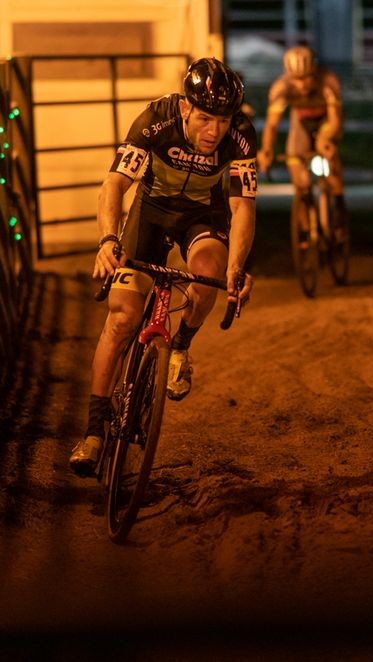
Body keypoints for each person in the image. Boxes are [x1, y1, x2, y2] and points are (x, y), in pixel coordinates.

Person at [69, 57, 257, 476]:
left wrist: (237, 268)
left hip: (203, 218)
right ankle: (94, 432)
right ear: (186, 108)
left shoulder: (241, 136)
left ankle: (181, 348)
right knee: (122, 317)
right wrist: (107, 240)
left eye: (223, 121)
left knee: (208, 278)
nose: (214, 132)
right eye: (206, 118)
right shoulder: (156, 119)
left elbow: (243, 206)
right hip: (151, 211)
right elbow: (115, 184)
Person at [255, 45, 346, 243]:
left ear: (315, 72)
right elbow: (271, 125)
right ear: (288, 76)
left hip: (326, 122)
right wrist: (267, 150)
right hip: (301, 123)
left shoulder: (328, 82)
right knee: (298, 173)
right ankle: (306, 226)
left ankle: (339, 208)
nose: (302, 85)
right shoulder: (281, 87)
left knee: (327, 153)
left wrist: (327, 139)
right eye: (297, 79)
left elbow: (335, 121)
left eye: (306, 78)